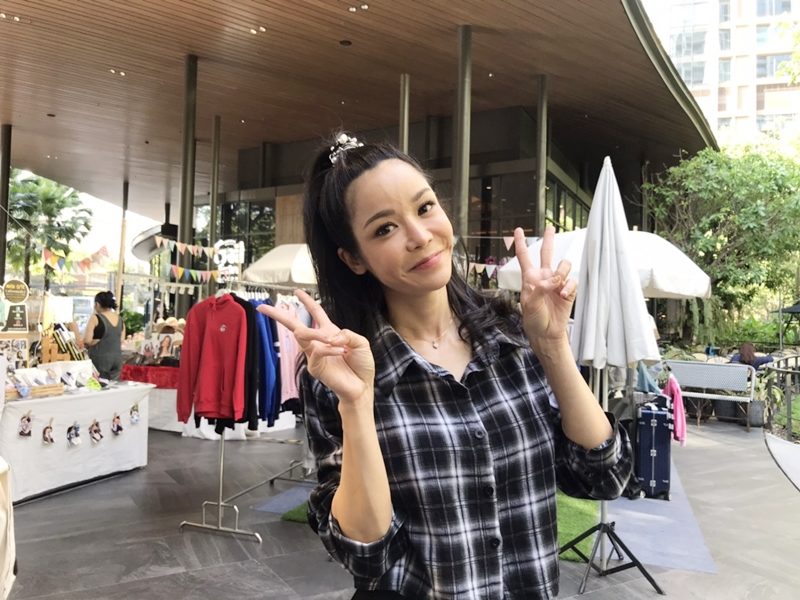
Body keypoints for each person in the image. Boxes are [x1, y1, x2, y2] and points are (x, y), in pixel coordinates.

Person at [257, 134, 632, 599]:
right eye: (384, 229)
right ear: (353, 258)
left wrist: (553, 345)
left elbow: (603, 475)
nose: (419, 236)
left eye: (425, 207)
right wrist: (356, 404)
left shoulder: (514, 337)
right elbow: (364, 555)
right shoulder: (343, 372)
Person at [83, 291, 124, 380]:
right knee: (113, 385)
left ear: (97, 304)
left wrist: (93, 342)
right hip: (117, 358)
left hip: (100, 359)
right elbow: (121, 340)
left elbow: (87, 340)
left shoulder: (95, 318)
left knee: (99, 385)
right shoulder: (120, 319)